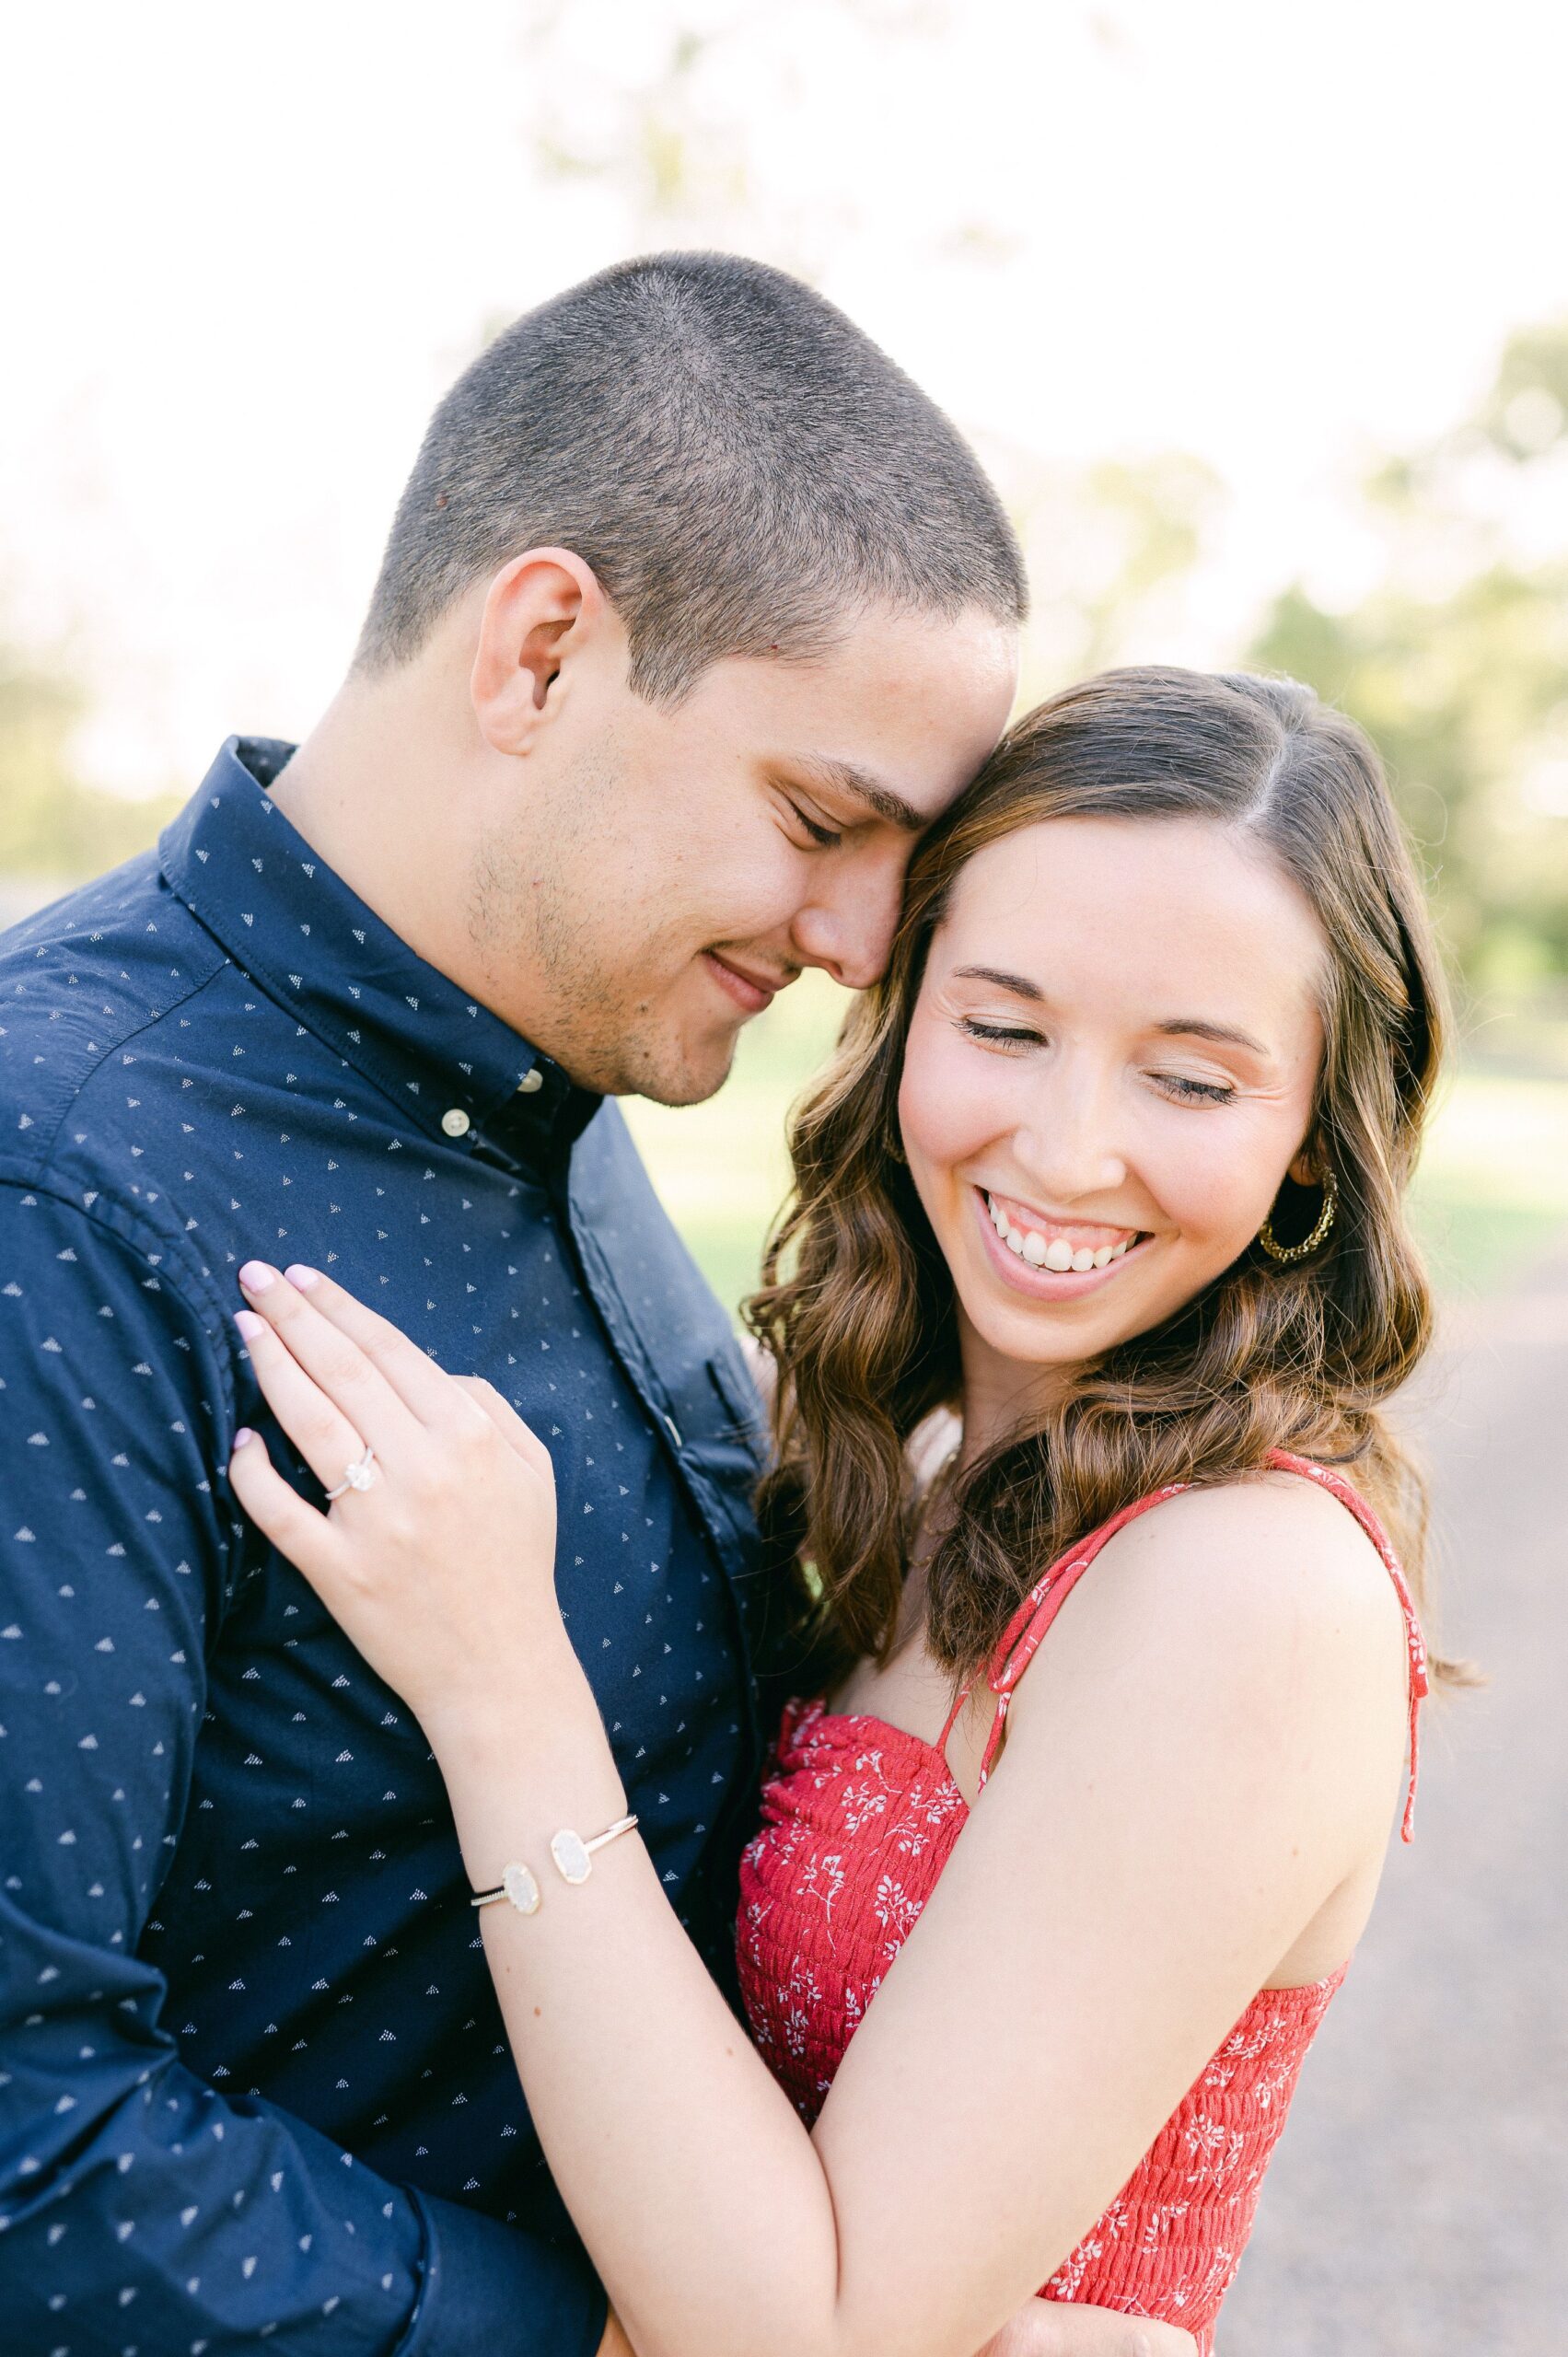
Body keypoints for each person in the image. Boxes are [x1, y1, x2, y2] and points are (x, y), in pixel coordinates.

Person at [0, 253, 1183, 2357]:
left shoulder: (574, 1079)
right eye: (822, 819)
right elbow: (25, 2129)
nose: (860, 941)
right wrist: (616, 2339)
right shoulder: (60, 1180)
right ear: (541, 648)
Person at [226, 664, 1455, 2357]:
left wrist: (501, 1690)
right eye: (1005, 1028)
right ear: (902, 1019)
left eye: (1190, 1079)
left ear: (1315, 1135)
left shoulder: (1245, 1587)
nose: (1066, 1150)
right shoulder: (921, 1471)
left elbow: (813, 2340)